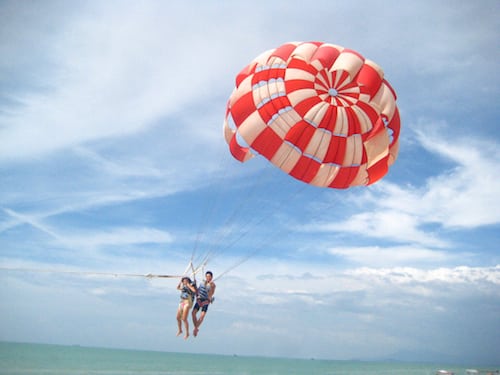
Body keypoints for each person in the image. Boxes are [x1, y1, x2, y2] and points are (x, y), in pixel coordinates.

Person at [192, 271, 216, 337]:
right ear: (205, 276)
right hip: (199, 299)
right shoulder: (202, 283)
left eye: (209, 276)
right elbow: (197, 290)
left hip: (206, 301)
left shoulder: (213, 285)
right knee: (193, 313)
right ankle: (196, 328)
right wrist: (194, 285)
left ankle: (195, 328)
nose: (208, 277)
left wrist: (211, 287)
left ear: (211, 277)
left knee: (202, 316)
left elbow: (211, 294)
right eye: (207, 276)